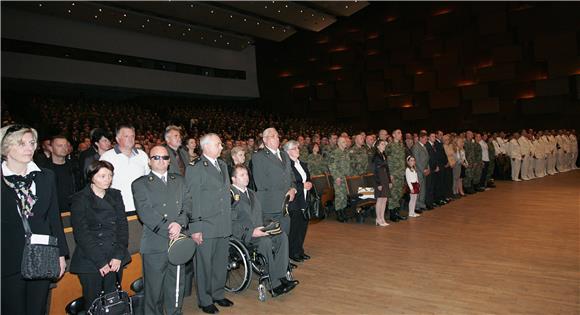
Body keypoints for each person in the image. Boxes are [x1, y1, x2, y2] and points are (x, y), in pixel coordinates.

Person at [1, 125, 69, 315]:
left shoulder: (46, 176)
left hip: (42, 255)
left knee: (37, 310)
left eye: (31, 143)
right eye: (21, 144)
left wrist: (61, 254)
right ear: (6, 147)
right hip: (7, 258)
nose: (29, 148)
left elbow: (54, 218)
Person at [132, 146, 190, 315]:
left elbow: (188, 204)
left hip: (178, 241)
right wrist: (169, 229)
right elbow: (145, 213)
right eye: (156, 157)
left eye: (164, 157)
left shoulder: (179, 180)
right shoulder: (140, 184)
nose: (161, 161)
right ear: (149, 161)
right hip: (155, 244)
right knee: (154, 290)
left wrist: (179, 223)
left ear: (169, 160)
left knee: (176, 287)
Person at [69, 160, 130, 311]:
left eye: (110, 175)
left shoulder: (115, 195)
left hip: (114, 256)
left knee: (113, 301)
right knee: (94, 303)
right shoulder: (80, 198)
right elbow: (82, 234)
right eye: (102, 176)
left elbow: (122, 227)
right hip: (91, 259)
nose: (107, 179)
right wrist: (100, 262)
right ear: (91, 177)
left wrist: (118, 256)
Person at [230, 165, 297, 297]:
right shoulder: (231, 195)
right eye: (242, 175)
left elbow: (262, 215)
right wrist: (251, 232)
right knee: (265, 242)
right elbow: (231, 223)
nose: (246, 177)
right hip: (245, 235)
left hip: (260, 230)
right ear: (233, 179)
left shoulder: (252, 193)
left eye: (247, 174)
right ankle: (273, 283)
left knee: (282, 236)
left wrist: (271, 224)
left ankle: (281, 275)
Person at [185, 133, 233, 314]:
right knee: (204, 264)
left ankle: (218, 293)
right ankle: (204, 300)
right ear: (205, 147)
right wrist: (195, 227)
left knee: (221, 262)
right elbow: (192, 199)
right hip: (205, 224)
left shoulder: (222, 165)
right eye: (218, 144)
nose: (221, 147)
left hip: (223, 223)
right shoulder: (195, 167)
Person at [250, 128, 297, 235]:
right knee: (273, 240)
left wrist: (293, 188)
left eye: (277, 136)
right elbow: (261, 183)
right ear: (264, 140)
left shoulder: (284, 155)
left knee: (285, 238)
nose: (276, 138)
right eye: (272, 136)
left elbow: (291, 175)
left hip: (285, 206)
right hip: (271, 206)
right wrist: (284, 193)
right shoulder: (258, 157)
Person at [100, 124, 150, 212]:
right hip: (117, 208)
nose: (130, 139)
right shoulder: (107, 157)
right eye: (126, 136)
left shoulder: (142, 155)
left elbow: (148, 180)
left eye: (132, 136)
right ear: (117, 139)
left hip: (141, 207)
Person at [284, 140, 313, 262]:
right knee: (294, 228)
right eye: (295, 148)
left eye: (297, 148)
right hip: (295, 200)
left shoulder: (302, 164)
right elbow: (289, 183)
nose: (298, 150)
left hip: (304, 198)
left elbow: (307, 177)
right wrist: (302, 186)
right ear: (288, 151)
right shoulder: (287, 166)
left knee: (303, 226)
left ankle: (299, 250)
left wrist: (309, 183)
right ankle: (292, 252)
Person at [46, 135, 81, 212]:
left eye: (66, 145)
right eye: (60, 146)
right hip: (54, 210)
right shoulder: (44, 170)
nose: (64, 148)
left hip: (74, 209)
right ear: (51, 148)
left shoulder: (74, 166)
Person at [325, 136, 352, 222]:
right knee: (339, 196)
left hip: (346, 178)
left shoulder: (346, 152)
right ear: (339, 143)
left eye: (345, 142)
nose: (346, 143)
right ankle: (339, 213)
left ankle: (343, 211)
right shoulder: (335, 153)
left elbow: (348, 166)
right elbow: (332, 166)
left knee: (344, 196)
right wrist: (336, 177)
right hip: (339, 178)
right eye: (344, 142)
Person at [385, 129, 407, 221]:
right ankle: (392, 214)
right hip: (394, 174)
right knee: (393, 194)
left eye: (401, 133)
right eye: (398, 133)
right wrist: (390, 174)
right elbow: (388, 161)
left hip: (401, 173)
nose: (400, 134)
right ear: (393, 135)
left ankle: (397, 212)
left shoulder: (401, 145)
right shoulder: (390, 146)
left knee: (398, 194)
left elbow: (402, 160)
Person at [372, 139, 391, 226]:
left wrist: (389, 181)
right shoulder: (376, 156)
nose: (384, 145)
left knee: (385, 199)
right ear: (378, 146)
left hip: (385, 178)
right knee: (379, 199)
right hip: (379, 179)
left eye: (384, 144)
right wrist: (378, 183)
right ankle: (378, 219)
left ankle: (382, 218)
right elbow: (375, 171)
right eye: (382, 144)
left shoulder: (384, 155)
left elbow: (387, 169)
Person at [411, 133, 429, 212]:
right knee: (418, 189)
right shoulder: (416, 147)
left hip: (424, 171)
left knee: (422, 189)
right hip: (418, 171)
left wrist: (428, 168)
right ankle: (416, 206)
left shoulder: (424, 146)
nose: (426, 140)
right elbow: (416, 161)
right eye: (425, 138)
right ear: (420, 138)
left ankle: (421, 204)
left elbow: (427, 159)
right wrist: (423, 170)